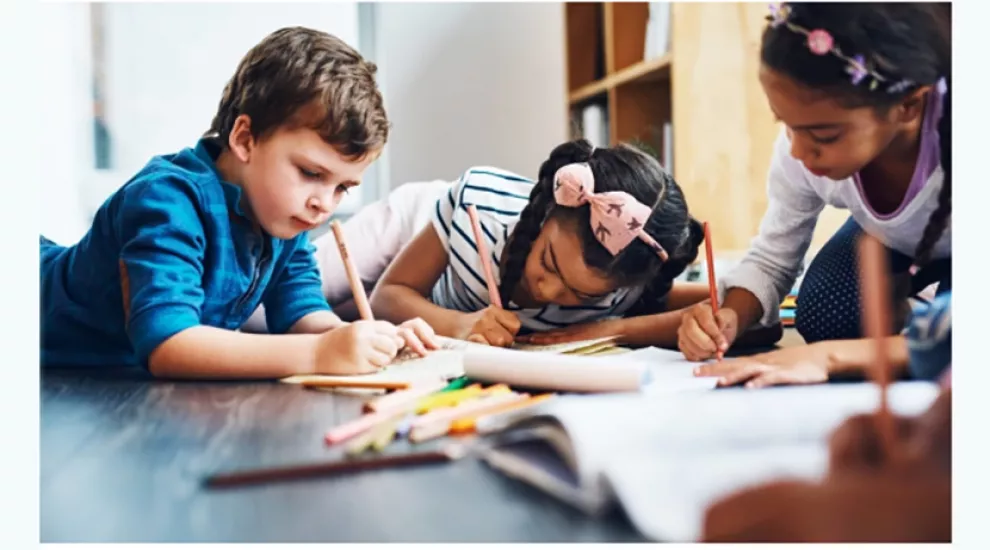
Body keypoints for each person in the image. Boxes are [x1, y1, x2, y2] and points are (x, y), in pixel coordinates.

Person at [40, 27, 437, 379]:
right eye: (311, 173)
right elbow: (168, 344)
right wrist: (319, 353)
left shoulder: (282, 217)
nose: (324, 204)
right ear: (245, 139)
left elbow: (302, 312)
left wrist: (368, 341)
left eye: (342, 188)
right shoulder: (167, 200)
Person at [680, 2, 951, 387]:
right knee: (826, 314)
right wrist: (730, 317)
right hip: (890, 241)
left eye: (824, 136)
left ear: (908, 105)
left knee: (948, 335)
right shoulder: (803, 148)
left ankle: (908, 334)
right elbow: (773, 258)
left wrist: (828, 357)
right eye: (786, 126)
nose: (798, 152)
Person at [369, 140, 714, 347]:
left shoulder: (624, 280)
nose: (548, 291)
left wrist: (615, 328)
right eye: (549, 262)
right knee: (324, 299)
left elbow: (732, 307)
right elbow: (385, 298)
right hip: (414, 218)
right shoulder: (476, 203)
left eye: (579, 295)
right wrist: (459, 325)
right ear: (548, 209)